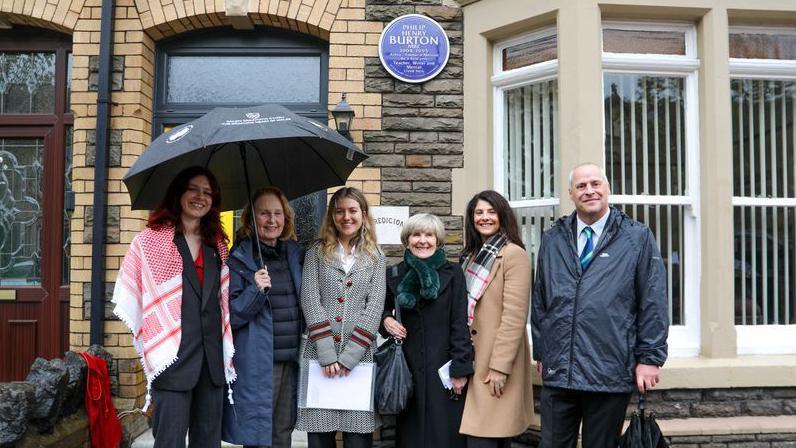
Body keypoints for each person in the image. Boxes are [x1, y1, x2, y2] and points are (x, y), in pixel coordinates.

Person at [531, 162, 669, 448]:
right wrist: (542, 351)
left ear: (608, 189)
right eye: (581, 186)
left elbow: (653, 301)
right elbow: (541, 301)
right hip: (560, 373)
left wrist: (650, 358)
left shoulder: (636, 237)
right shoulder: (552, 239)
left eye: (596, 184)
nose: (589, 191)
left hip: (608, 371)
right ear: (571, 194)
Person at [112, 166, 236, 448]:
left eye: (208, 192)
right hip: (172, 360)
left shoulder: (216, 244)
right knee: (169, 441)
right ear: (178, 192)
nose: (200, 197)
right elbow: (133, 294)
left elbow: (222, 299)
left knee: (208, 443)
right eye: (193, 189)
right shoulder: (149, 241)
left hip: (211, 362)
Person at [296, 187, 386, 448]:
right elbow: (311, 299)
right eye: (340, 211)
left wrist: (349, 357)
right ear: (332, 216)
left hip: (360, 358)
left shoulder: (375, 256)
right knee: (320, 438)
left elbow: (374, 307)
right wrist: (327, 354)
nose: (346, 217)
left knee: (359, 439)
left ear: (363, 214)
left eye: (352, 211)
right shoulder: (316, 251)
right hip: (318, 353)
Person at [221, 187, 305, 448]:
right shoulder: (239, 260)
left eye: (277, 213)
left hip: (291, 359)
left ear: (286, 218)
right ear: (251, 219)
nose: (272, 220)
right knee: (258, 436)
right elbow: (231, 317)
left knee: (283, 433)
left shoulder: (295, 254)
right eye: (264, 213)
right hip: (259, 363)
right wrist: (254, 290)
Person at [381, 213, 473, 448]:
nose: (422, 240)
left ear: (438, 240)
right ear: (407, 239)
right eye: (416, 235)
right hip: (407, 373)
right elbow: (378, 311)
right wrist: (385, 321)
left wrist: (461, 369)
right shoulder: (393, 274)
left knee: (444, 437)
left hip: (443, 372)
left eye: (428, 235)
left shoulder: (453, 274)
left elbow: (459, 324)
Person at [458, 190, 535, 448]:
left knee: (484, 438)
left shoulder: (514, 255)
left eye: (491, 212)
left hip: (496, 362)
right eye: (478, 212)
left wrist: (500, 367)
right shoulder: (469, 256)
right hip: (471, 360)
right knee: (487, 438)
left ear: (502, 215)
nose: (485, 218)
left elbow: (514, 316)